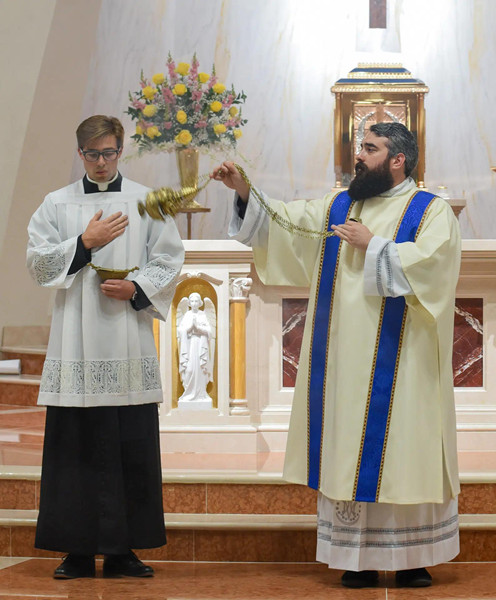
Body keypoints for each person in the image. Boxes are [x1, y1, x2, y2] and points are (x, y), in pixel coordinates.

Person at [212, 122, 462, 588]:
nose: (359, 157)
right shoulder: (338, 205)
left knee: (404, 449)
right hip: (345, 364)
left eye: (370, 149)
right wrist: (244, 190)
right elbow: (286, 223)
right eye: (359, 147)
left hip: (404, 362)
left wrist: (376, 246)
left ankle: (413, 558)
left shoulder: (430, 212)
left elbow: (436, 265)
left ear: (397, 160)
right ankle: (355, 556)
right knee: (348, 445)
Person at [26, 115, 184, 578]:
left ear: (121, 151)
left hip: (125, 338)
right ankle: (76, 550)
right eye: (92, 154)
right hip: (76, 341)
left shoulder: (145, 201)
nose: (101, 162)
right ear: (80, 154)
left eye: (109, 152)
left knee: (128, 441)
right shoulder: (56, 204)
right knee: (74, 445)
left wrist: (137, 288)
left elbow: (169, 258)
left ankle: (123, 551)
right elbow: (37, 263)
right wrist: (83, 244)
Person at [176, 292, 215, 403]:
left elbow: (209, 331)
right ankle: (188, 392)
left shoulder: (203, 314)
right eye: (192, 301)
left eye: (196, 301)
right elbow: (181, 330)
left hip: (201, 345)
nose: (194, 303)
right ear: (189, 303)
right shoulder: (187, 315)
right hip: (188, 345)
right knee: (189, 370)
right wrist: (190, 328)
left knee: (201, 369)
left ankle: (201, 393)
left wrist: (198, 328)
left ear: (200, 303)